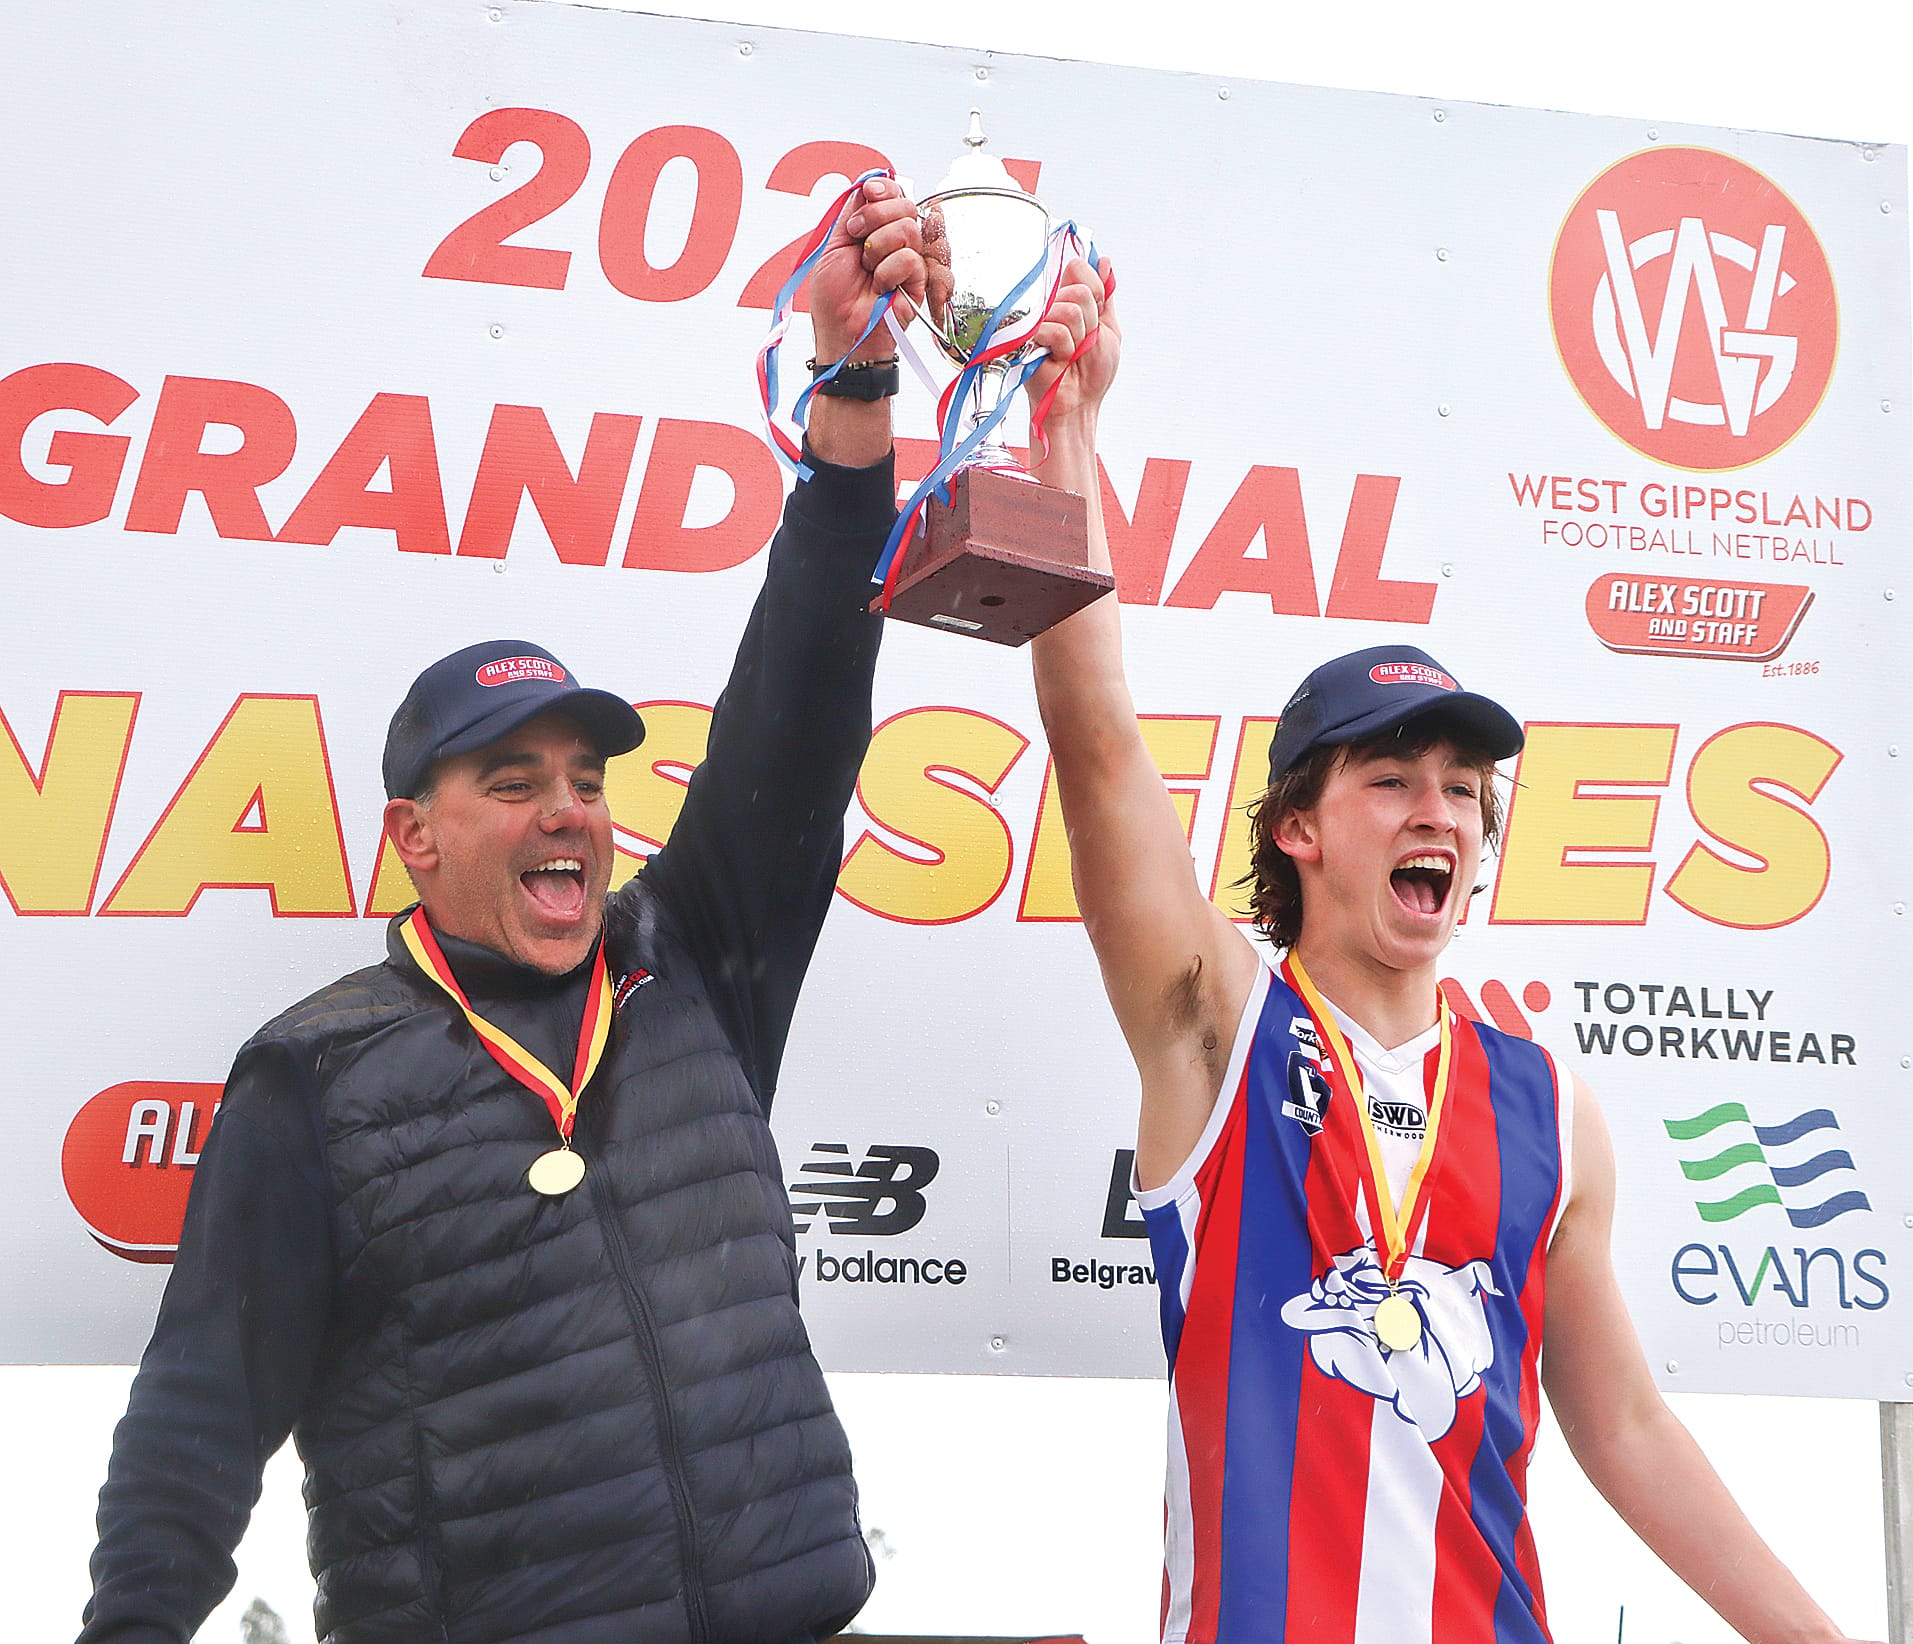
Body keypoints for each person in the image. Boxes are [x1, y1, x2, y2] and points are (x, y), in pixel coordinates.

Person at [77, 176, 926, 1644]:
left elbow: (798, 704)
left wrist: (851, 400)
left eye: (587, 779)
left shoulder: (697, 957)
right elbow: (196, 1424)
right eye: (514, 780)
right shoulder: (319, 1073)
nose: (567, 812)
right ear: (414, 835)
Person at [1015, 261, 1875, 1643]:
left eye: (1465, 791)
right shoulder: (1215, 1025)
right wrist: (1064, 434)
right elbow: (1098, 743)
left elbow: (1631, 1433)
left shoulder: (1550, 1107)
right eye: (1392, 780)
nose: (1439, 812)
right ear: (1295, 826)